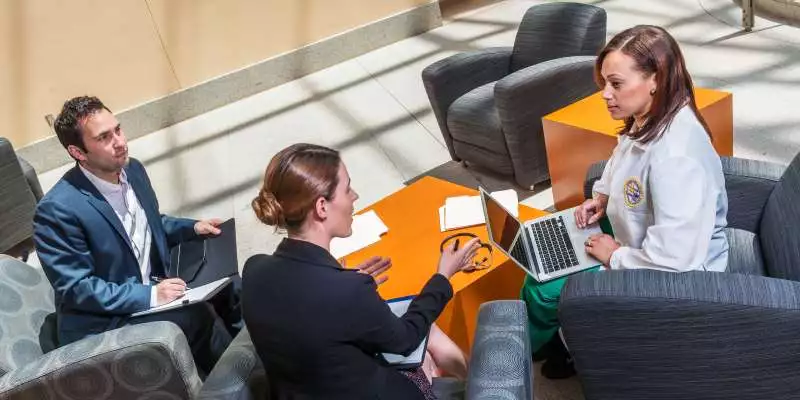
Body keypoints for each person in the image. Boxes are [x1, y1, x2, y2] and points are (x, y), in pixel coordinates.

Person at [521, 25, 729, 379]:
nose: (605, 94)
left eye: (616, 84)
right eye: (604, 83)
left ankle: (543, 347)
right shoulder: (653, 113)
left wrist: (613, 254)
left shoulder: (676, 159)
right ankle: (556, 338)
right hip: (637, 236)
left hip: (668, 268)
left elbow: (675, 261)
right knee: (540, 251)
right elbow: (623, 158)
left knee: (542, 289)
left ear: (655, 79)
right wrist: (601, 195)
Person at [242, 143, 476, 399]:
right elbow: (405, 340)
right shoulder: (347, 291)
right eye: (347, 189)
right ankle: (480, 388)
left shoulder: (254, 270)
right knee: (426, 332)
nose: (355, 196)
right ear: (322, 207)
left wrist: (340, 280)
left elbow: (307, 312)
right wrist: (443, 276)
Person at [33, 96, 234, 374]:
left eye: (118, 129)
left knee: (232, 286)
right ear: (78, 152)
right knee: (195, 316)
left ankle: (256, 368)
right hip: (106, 319)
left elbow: (148, 225)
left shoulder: (132, 169)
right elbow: (77, 288)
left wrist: (191, 228)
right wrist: (151, 295)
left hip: (152, 285)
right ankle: (232, 385)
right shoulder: (57, 211)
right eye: (104, 137)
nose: (119, 142)